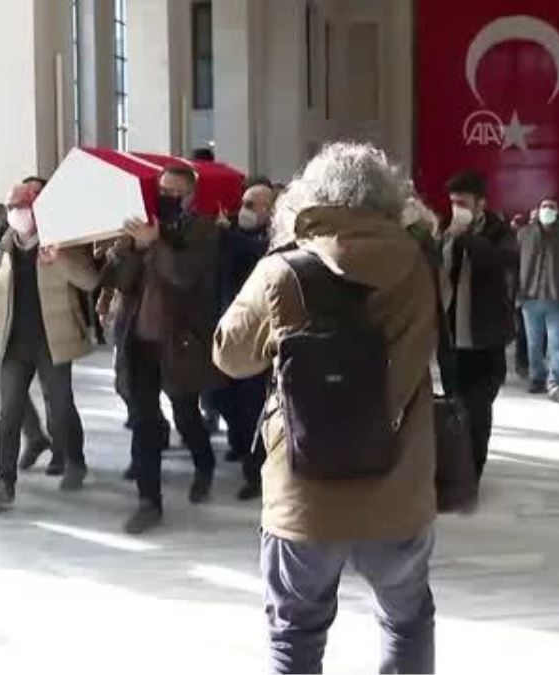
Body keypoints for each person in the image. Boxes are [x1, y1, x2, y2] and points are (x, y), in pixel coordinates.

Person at [214, 141, 438, 675]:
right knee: (406, 622)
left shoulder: (284, 270)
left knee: (295, 636)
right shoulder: (419, 262)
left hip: (304, 493)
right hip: (397, 486)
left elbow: (228, 354)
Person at [101, 165, 222, 534]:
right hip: (139, 342)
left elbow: (185, 276)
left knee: (186, 415)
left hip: (179, 343)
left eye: (175, 191)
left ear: (190, 195)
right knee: (144, 421)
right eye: (162, 189)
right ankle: (148, 501)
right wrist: (131, 250)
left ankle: (204, 465)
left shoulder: (205, 231)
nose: (167, 196)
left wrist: (156, 244)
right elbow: (120, 282)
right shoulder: (144, 228)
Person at [0, 182, 100, 509]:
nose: (17, 213)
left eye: (22, 206)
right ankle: (4, 484)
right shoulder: (1, 251)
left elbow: (90, 281)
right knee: (9, 414)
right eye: (12, 206)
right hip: (14, 343)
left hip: (53, 341)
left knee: (61, 407)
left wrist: (60, 260)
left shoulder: (60, 245)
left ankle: (75, 459)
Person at [441, 170, 517, 479]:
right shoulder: (449, 234)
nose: (456, 209)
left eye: (463, 202)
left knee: (478, 409)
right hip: (451, 339)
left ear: (481, 204)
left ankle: (474, 470)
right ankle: (457, 468)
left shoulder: (501, 233)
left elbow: (500, 267)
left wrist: (467, 237)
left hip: (485, 340)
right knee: (454, 408)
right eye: (452, 203)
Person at [211, 179, 274, 500]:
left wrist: (229, 235)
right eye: (243, 204)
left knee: (253, 406)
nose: (244, 211)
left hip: (259, 335)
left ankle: (257, 473)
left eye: (251, 205)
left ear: (269, 209)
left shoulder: (273, 238)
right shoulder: (233, 236)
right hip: (227, 326)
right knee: (218, 395)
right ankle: (240, 444)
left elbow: (262, 256)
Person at [516, 197, 559, 400]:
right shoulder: (524, 233)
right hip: (530, 296)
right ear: (538, 209)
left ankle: (555, 382)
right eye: (544, 206)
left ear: (558, 211)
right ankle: (537, 377)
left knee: (557, 343)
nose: (547, 210)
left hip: (557, 297)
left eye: (552, 207)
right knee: (533, 343)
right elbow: (515, 263)